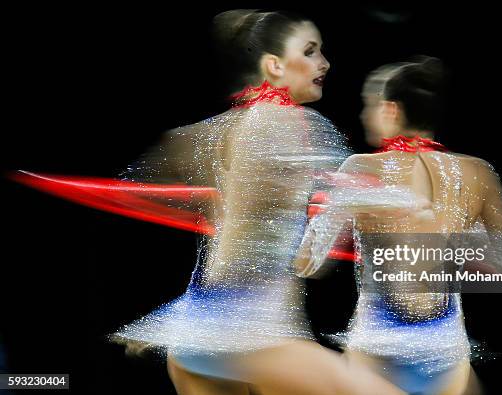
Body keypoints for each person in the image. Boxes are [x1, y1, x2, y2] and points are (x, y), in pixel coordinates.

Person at [114, 9, 406, 395]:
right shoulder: (298, 124)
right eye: (311, 51)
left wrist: (182, 320)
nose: (325, 63)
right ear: (274, 65)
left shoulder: (219, 129)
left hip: (195, 331)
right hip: (253, 333)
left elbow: (163, 192)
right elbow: (349, 201)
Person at [295, 56, 502, 395]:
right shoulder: (479, 172)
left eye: (367, 106)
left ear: (390, 110)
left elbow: (308, 265)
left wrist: (321, 212)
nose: (363, 116)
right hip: (444, 353)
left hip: (377, 348)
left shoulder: (359, 167)